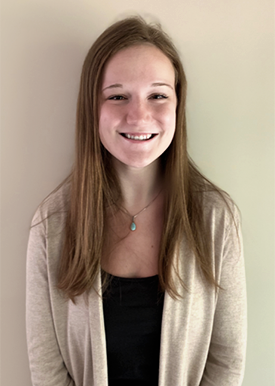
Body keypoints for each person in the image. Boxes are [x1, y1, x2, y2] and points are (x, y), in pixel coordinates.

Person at [26, 16, 247, 386]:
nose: (138, 115)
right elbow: (45, 365)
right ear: (91, 108)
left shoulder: (216, 219)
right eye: (117, 95)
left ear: (178, 104)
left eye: (158, 95)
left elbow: (227, 360)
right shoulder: (52, 225)